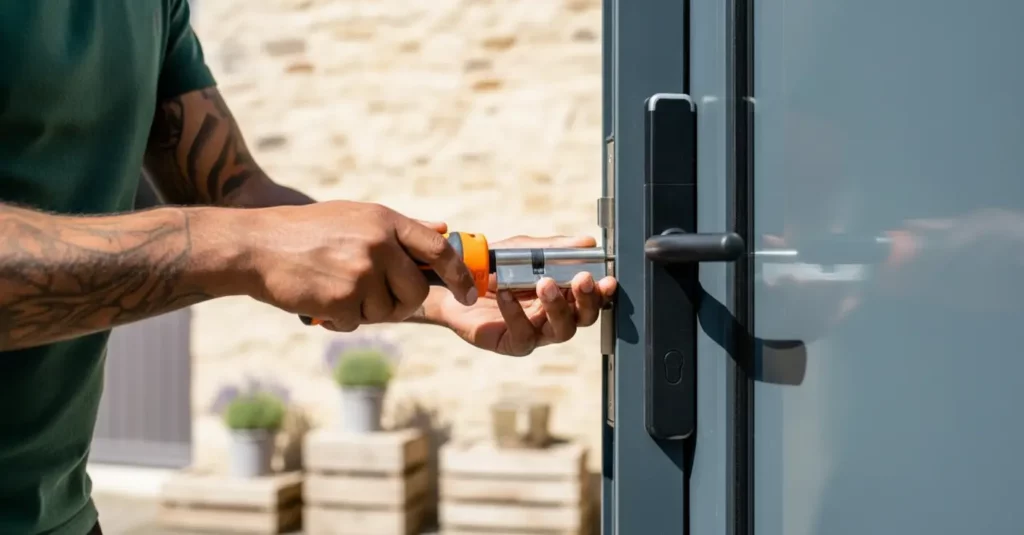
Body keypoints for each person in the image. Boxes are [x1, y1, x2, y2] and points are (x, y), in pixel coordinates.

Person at [0, 3, 617, 534]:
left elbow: (238, 193)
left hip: (65, 515)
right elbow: (252, 233)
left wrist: (444, 285)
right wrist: (248, 247)